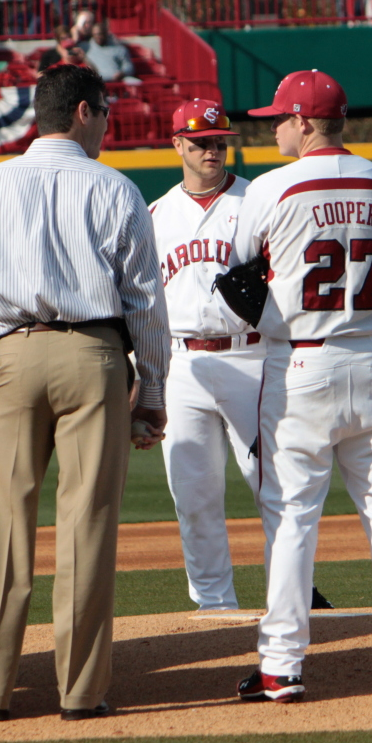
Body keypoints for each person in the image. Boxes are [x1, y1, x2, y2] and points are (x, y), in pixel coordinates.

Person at [0, 64, 169, 722]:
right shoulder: (115, 186)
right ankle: (80, 693)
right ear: (82, 112)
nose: (106, 124)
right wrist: (151, 386)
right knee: (87, 526)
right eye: (104, 112)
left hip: (12, 352)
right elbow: (145, 303)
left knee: (5, 529)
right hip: (93, 353)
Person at [231, 70, 372, 702]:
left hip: (301, 362)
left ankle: (283, 665)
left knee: (294, 514)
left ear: (302, 121)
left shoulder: (270, 187)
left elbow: (238, 274)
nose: (273, 126)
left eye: (279, 117)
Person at [149, 100, 261, 611]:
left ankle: (293, 591)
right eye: (200, 143)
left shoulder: (256, 201)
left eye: (219, 142)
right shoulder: (155, 214)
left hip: (251, 357)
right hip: (182, 363)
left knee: (273, 486)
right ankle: (215, 605)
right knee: (193, 496)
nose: (212, 150)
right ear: (177, 145)